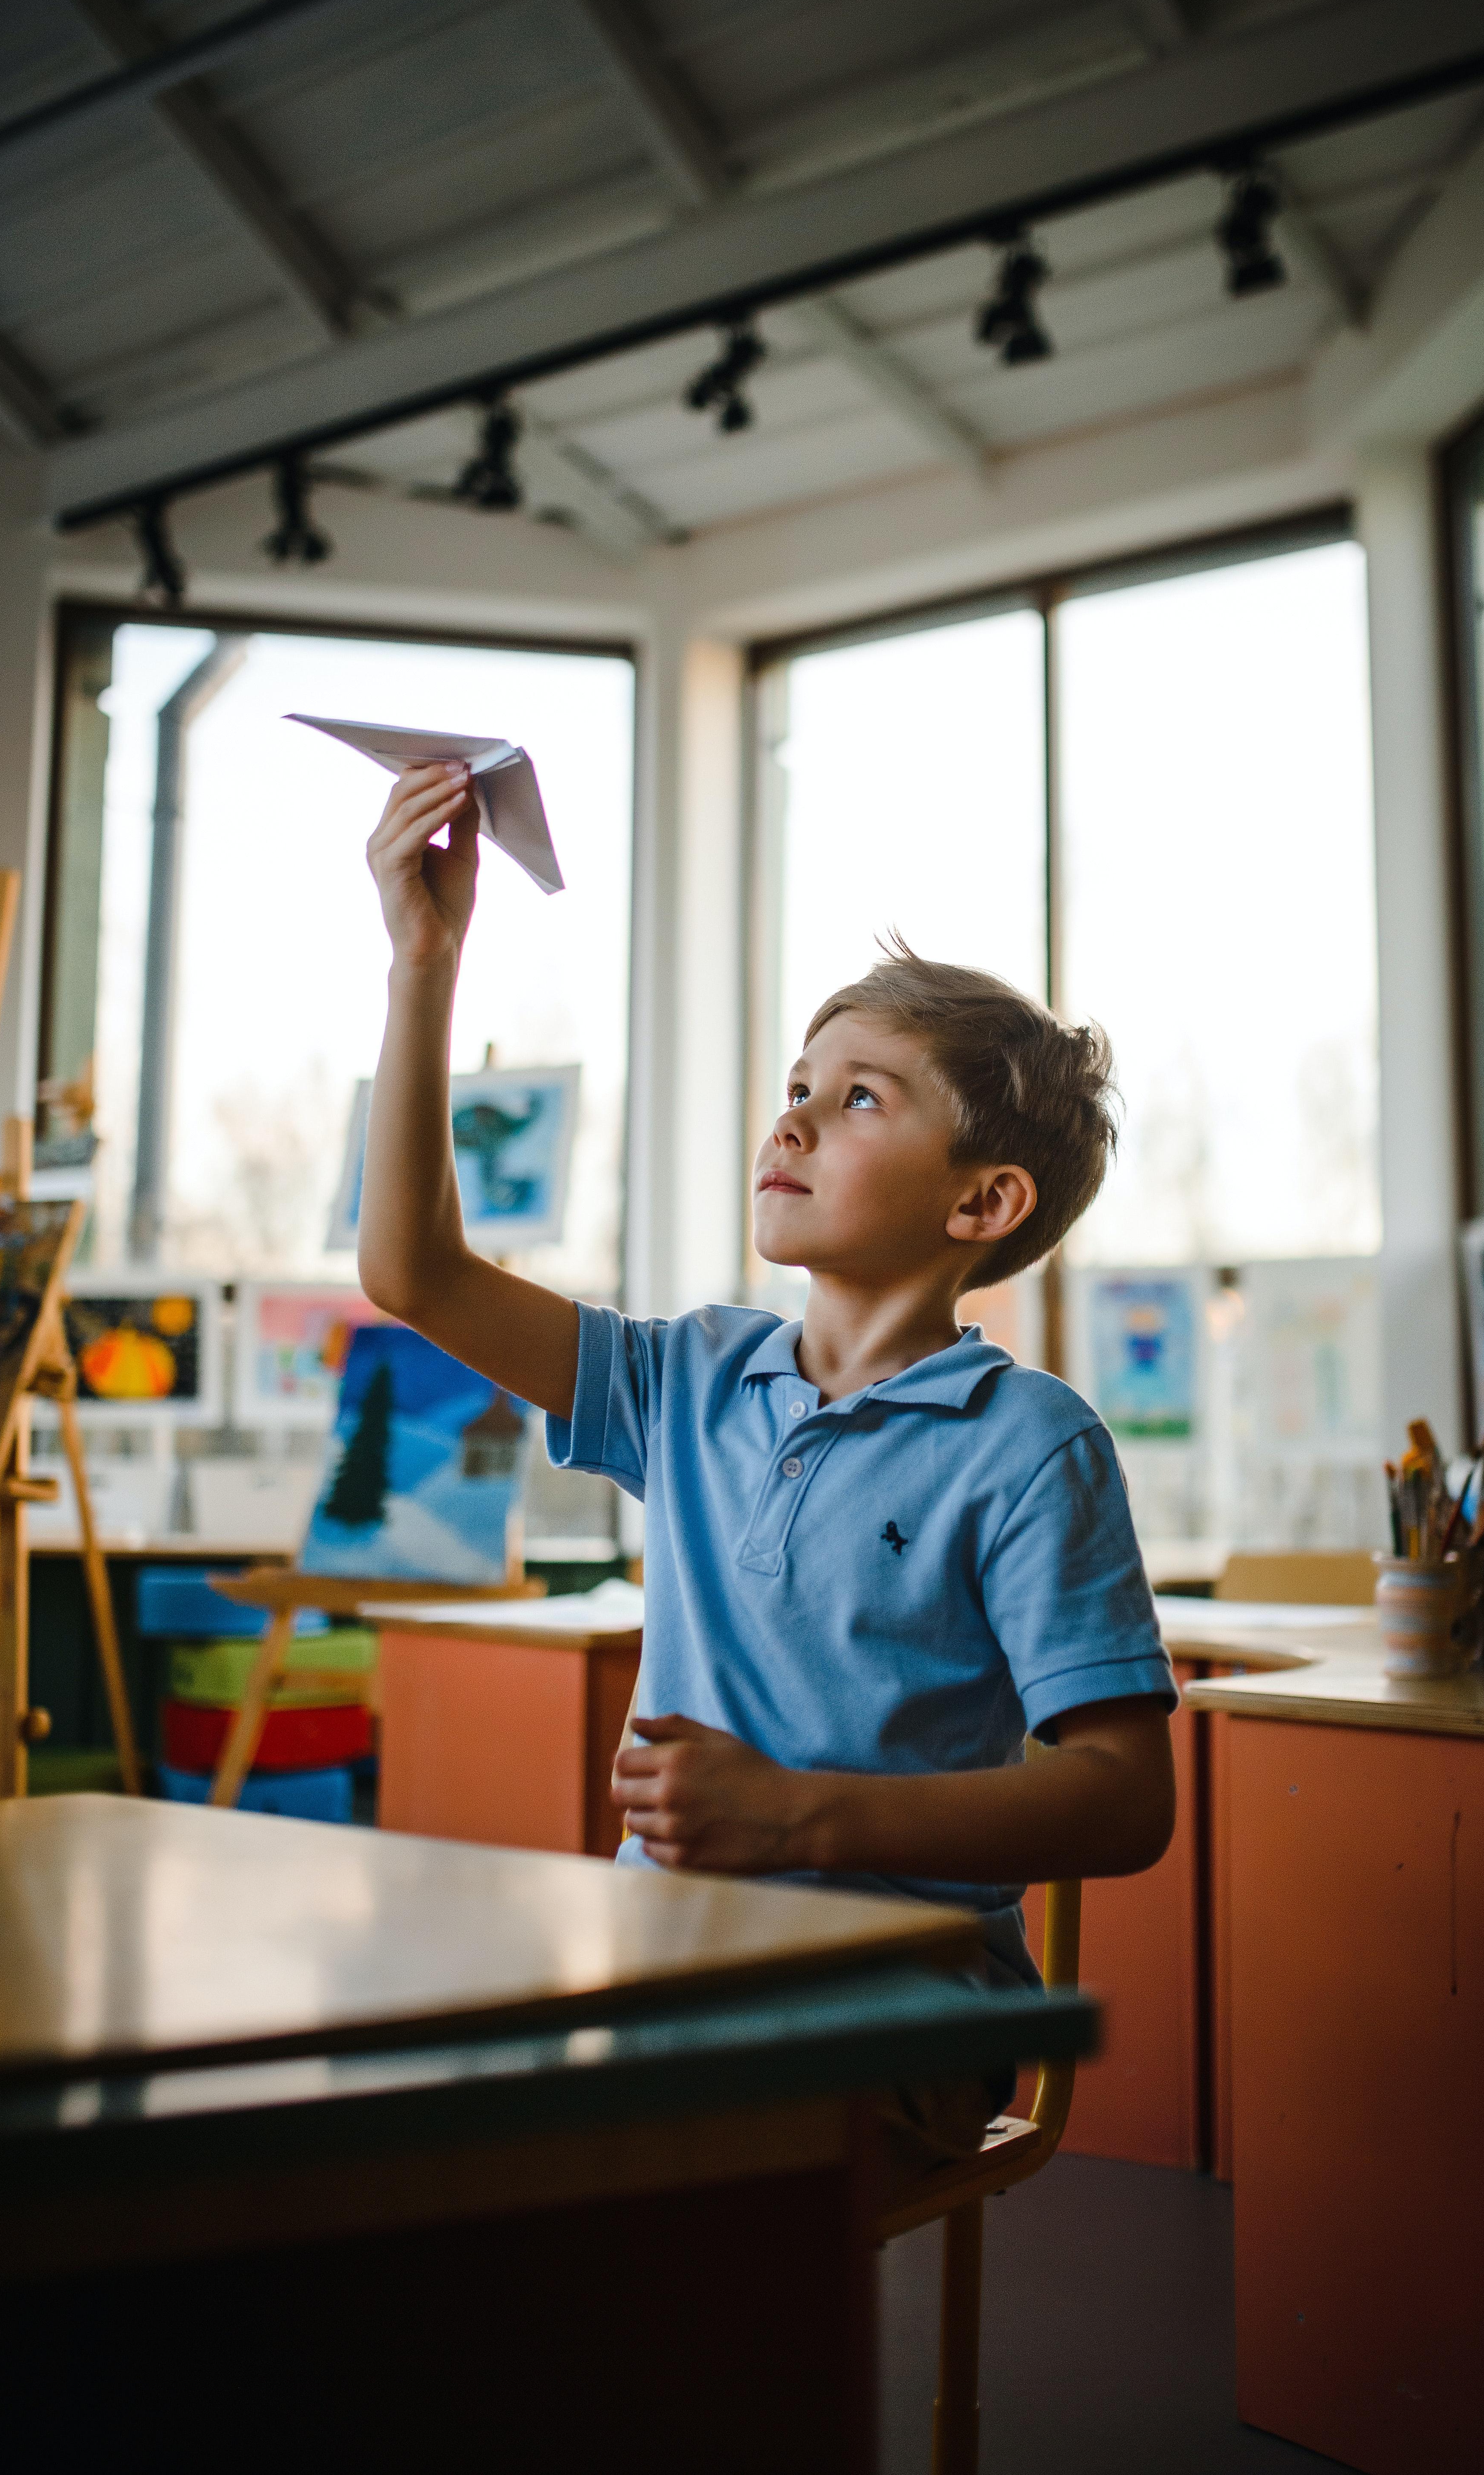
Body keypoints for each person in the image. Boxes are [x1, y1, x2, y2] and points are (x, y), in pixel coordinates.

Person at [359, 759, 1177, 2150]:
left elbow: (1123, 1799)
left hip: (904, 1993)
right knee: (404, 2103)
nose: (791, 1116)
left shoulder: (1033, 1446)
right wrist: (421, 963)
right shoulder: (685, 1378)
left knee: (666, 2155)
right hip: (662, 1951)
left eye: (862, 1100)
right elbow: (414, 1271)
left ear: (985, 1200)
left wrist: (800, 1819)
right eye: (799, 1083)